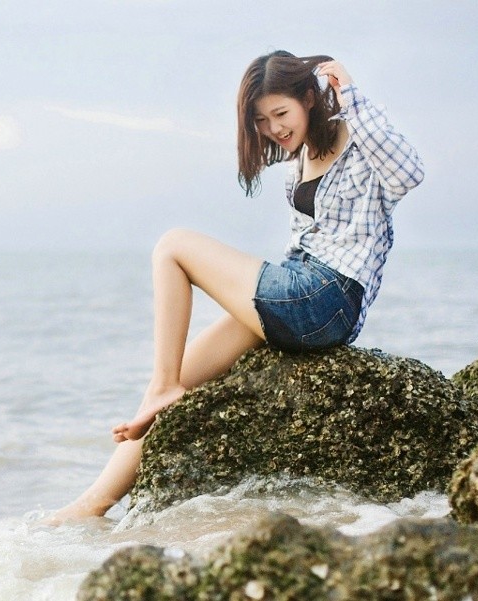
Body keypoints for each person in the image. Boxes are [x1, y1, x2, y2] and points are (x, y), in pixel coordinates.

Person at [52, 50, 424, 521]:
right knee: (182, 374)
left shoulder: (361, 142)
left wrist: (349, 95)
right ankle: (91, 506)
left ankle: (160, 388)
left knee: (172, 246)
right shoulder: (301, 158)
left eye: (281, 114)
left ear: (311, 99)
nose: (274, 129)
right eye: (262, 120)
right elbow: (300, 246)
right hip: (304, 291)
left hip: (325, 297)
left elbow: (410, 173)